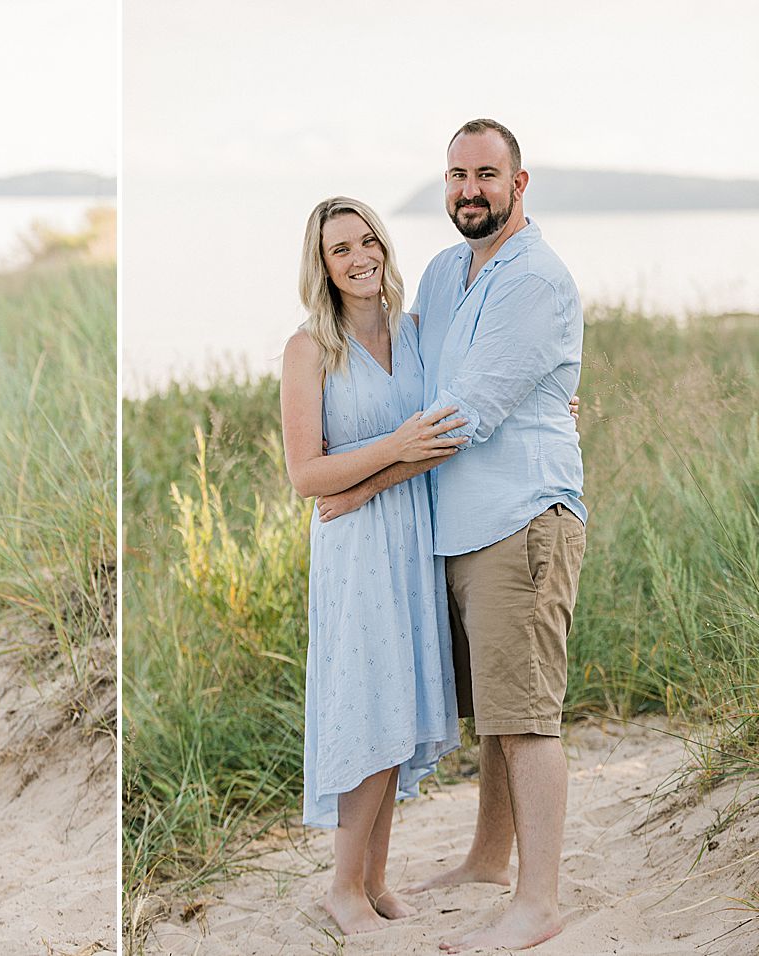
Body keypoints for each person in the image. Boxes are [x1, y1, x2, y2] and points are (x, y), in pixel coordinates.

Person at [316, 119, 586, 952]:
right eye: (457, 174)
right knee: (498, 713)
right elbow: (422, 385)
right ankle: (485, 860)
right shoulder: (442, 270)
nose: (470, 188)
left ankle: (538, 901)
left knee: (528, 715)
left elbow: (465, 413)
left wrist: (362, 485)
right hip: (454, 528)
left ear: (519, 184)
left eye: (486, 175)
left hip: (520, 518)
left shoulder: (533, 277)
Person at [280, 196, 464, 934]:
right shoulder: (309, 348)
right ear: (320, 266)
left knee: (399, 703)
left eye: (367, 242)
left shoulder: (418, 332)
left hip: (411, 537)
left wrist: (556, 402)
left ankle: (376, 879)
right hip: (356, 553)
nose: (359, 258)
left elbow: (453, 424)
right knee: (365, 704)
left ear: (384, 246)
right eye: (339, 250)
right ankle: (342, 889)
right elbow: (306, 476)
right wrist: (394, 453)